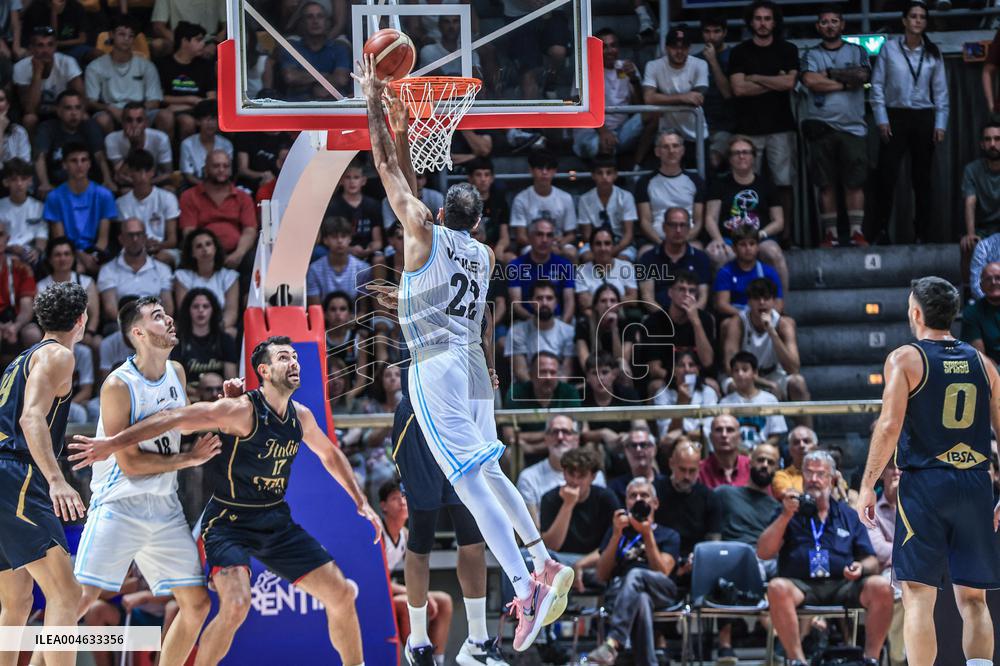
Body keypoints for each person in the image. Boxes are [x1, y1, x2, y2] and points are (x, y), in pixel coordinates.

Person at [356, 55, 571, 651]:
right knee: (485, 476)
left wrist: (377, 100)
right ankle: (535, 567)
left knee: (473, 481)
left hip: (436, 364)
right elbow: (408, 180)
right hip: (476, 363)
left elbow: (387, 172)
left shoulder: (422, 228)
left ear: (440, 215)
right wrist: (404, 124)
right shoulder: (484, 255)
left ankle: (533, 574)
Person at [69, 336, 380, 666]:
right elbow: (174, 418)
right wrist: (112, 442)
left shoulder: (300, 417)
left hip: (274, 520)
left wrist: (362, 502)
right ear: (263, 370)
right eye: (284, 358)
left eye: (295, 358)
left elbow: (330, 454)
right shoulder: (238, 410)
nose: (294, 363)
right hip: (228, 522)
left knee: (342, 593)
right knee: (234, 606)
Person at [859, 276, 1000, 666]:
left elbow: (888, 427)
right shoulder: (982, 362)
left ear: (916, 312)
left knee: (919, 594)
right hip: (975, 483)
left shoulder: (904, 358)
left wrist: (868, 484)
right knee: (974, 597)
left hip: (925, 482)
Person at [74, 297, 218, 666]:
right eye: (157, 317)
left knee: (197, 604)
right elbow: (131, 463)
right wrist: (190, 459)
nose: (169, 319)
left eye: (166, 313)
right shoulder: (117, 385)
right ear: (138, 333)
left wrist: (222, 404)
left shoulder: (177, 372)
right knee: (75, 604)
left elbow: (179, 422)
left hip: (164, 507)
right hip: (120, 505)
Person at [0, 282, 89, 666]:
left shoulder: (21, 360)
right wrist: (56, 479)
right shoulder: (58, 356)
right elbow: (30, 416)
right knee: (67, 595)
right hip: (16, 472)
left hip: (5, 472)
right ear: (82, 319)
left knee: (16, 601)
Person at [762, 451, 892, 665]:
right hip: (802, 586)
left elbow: (872, 560)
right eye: (809, 473)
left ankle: (871, 659)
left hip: (843, 584)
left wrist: (860, 567)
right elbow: (764, 552)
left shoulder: (848, 514)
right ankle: (797, 660)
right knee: (776, 588)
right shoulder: (787, 511)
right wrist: (785, 516)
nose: (813, 479)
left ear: (832, 479)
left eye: (820, 474)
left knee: (881, 586)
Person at [870, 2, 948, 245]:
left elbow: (941, 92)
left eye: (922, 17)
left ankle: (922, 233)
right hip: (895, 116)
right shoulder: (890, 49)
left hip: (924, 116)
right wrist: (882, 119)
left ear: (926, 22)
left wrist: (940, 123)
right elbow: (877, 87)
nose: (917, 21)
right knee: (886, 176)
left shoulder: (933, 52)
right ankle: (881, 230)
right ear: (904, 20)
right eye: (913, 16)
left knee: (922, 179)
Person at [584, 478, 680, 666]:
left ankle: (613, 643)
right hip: (623, 593)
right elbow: (601, 575)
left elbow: (663, 571)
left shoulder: (668, 534)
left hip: (661, 589)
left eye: (644, 495)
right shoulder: (618, 531)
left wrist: (646, 534)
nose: (638, 499)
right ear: (626, 501)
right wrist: (616, 535)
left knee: (636, 574)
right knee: (641, 599)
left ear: (655, 503)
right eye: (632, 496)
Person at [801, 5, 870, 248]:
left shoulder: (857, 50)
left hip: (853, 127)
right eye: (824, 22)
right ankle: (830, 234)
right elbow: (810, 81)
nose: (829, 26)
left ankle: (856, 233)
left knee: (855, 183)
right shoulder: (810, 54)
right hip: (822, 127)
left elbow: (862, 76)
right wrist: (843, 82)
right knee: (826, 184)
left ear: (842, 25)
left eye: (834, 21)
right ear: (818, 26)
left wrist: (828, 73)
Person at [728, 0, 799, 233]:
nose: (763, 23)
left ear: (775, 22)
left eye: (767, 18)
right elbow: (738, 89)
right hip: (747, 129)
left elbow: (789, 83)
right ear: (750, 22)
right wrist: (774, 81)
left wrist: (754, 77)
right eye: (758, 18)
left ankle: (786, 234)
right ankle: (748, 234)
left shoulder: (788, 49)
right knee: (747, 184)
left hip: (781, 126)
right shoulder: (739, 52)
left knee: (784, 184)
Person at [714, 442, 781, 661]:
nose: (764, 465)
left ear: (777, 468)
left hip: (768, 559)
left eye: (770, 462)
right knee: (736, 562)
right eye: (760, 460)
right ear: (749, 462)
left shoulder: (778, 508)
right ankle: (726, 646)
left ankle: (783, 640)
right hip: (731, 556)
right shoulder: (725, 494)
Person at [379, 480, 456, 666]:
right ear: (383, 506)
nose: (402, 503)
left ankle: (437, 660)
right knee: (409, 603)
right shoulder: (377, 533)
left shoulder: (405, 535)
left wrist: (423, 595)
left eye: (404, 498)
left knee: (444, 601)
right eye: (395, 499)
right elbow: (377, 582)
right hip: (372, 595)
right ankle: (418, 660)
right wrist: (418, 595)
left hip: (388, 590)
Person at [705, 136, 788, 292]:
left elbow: (779, 221)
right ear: (730, 159)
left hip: (760, 237)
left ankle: (780, 305)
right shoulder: (719, 184)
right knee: (718, 254)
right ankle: (722, 308)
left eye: (746, 152)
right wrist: (717, 239)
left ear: (753, 157)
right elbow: (710, 218)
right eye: (736, 153)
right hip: (728, 238)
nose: (741, 156)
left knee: (773, 253)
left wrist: (761, 235)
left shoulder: (767, 185)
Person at [721, 277, 806, 404]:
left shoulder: (784, 324)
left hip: (774, 374)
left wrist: (772, 332)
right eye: (756, 298)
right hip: (744, 374)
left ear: (773, 301)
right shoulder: (737, 323)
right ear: (749, 302)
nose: (762, 302)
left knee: (798, 383)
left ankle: (806, 425)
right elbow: (730, 367)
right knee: (732, 384)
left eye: (766, 298)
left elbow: (793, 368)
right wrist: (766, 384)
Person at [85, 15, 171, 136]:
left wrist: (136, 112)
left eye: (131, 36)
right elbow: (90, 102)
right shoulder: (95, 67)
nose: (126, 39)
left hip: (140, 110)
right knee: (102, 119)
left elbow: (154, 101)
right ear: (111, 35)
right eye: (121, 34)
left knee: (166, 116)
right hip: (112, 111)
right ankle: (109, 153)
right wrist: (109, 108)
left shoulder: (147, 66)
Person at [515, 414, 607, 526]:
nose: (560, 437)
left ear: (577, 438)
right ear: (546, 438)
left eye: (566, 432)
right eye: (554, 432)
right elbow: (533, 530)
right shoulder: (528, 477)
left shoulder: (595, 475)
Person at [43, 143, 116, 275]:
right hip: (67, 252)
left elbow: (103, 238)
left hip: (96, 250)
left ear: (89, 164)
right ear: (64, 165)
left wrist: (93, 257)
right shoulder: (54, 197)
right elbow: (60, 239)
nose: (79, 165)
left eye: (84, 160)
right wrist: (81, 258)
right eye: (74, 161)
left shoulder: (104, 195)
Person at [178, 150, 257, 270]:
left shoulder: (243, 197)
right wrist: (207, 255)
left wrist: (239, 253)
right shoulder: (189, 196)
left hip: (237, 253)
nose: (221, 170)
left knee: (254, 262)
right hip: (203, 254)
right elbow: (189, 232)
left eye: (226, 166)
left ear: (231, 170)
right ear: (205, 169)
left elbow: (249, 230)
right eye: (216, 166)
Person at [572, 28, 642, 161]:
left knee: (649, 115)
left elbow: (639, 105)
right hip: (591, 132)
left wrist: (634, 79)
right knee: (600, 145)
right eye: (604, 47)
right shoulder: (586, 70)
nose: (610, 51)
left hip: (620, 130)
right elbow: (578, 103)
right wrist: (603, 131)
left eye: (613, 46)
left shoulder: (626, 67)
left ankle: (637, 164)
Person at [33, 90, 113, 198]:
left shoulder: (90, 127)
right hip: (57, 186)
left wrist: (107, 179)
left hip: (87, 186)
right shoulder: (47, 128)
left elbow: (100, 156)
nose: (74, 113)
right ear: (59, 111)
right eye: (68, 108)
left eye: (77, 108)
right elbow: (40, 157)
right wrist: (44, 183)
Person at [503, 353, 582, 462]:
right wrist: (553, 435)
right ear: (531, 374)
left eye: (553, 372)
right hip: (525, 453)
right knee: (509, 454)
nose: (548, 377)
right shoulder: (516, 394)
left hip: (561, 448)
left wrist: (532, 448)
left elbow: (574, 434)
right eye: (543, 372)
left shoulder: (569, 392)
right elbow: (510, 437)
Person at [635, 130, 704, 250]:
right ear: (657, 152)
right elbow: (645, 222)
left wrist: (683, 242)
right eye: (666, 147)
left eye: (675, 146)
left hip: (688, 241)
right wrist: (662, 244)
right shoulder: (644, 182)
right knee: (644, 253)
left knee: (699, 250)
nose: (671, 151)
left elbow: (698, 221)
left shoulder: (696, 181)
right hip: (657, 241)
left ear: (682, 151)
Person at [97, 217, 174, 323]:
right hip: (121, 325)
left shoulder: (162, 270)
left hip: (155, 324)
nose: (135, 239)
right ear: (121, 239)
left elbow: (168, 307)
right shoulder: (108, 270)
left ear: (145, 238)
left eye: (139, 234)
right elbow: (110, 309)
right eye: (130, 235)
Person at [641, 27, 708, 149]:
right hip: (668, 135)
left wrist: (662, 98)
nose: (679, 51)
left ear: (689, 48)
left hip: (695, 132)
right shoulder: (653, 66)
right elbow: (648, 98)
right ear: (666, 48)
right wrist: (684, 97)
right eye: (674, 47)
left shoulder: (700, 64)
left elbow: (697, 98)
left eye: (684, 47)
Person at [637, 207, 711, 311]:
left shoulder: (701, 258)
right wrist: (669, 319)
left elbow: (703, 298)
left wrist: (689, 316)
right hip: (659, 317)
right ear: (664, 227)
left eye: (683, 225)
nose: (678, 230)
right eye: (672, 225)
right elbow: (647, 298)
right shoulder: (648, 258)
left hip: (692, 317)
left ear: (689, 228)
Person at [14, 24, 84, 132]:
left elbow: (82, 100)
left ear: (55, 47)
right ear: (32, 48)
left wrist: (63, 110)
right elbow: (29, 109)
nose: (46, 50)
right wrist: (37, 74)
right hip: (39, 115)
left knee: (83, 117)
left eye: (50, 45)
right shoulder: (20, 67)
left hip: (64, 112)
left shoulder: (67, 62)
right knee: (29, 119)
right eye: (40, 45)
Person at [116, 148, 180, 265]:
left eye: (146, 171)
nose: (143, 177)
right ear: (130, 173)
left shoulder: (167, 198)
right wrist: (142, 245)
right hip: (133, 249)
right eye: (138, 171)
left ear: (153, 172)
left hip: (162, 249)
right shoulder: (121, 203)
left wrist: (158, 245)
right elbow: (124, 239)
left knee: (161, 258)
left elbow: (172, 240)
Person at [510, 152, 580, 258]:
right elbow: (521, 236)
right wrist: (544, 246)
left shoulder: (566, 198)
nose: (544, 172)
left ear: (555, 171)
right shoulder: (521, 199)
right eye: (540, 168)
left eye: (548, 169)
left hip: (558, 244)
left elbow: (571, 234)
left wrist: (560, 243)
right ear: (531, 170)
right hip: (531, 245)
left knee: (571, 252)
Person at [276, 2, 350, 101]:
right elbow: (290, 77)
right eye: (309, 17)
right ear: (302, 23)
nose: (315, 21)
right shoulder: (292, 47)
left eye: (320, 16)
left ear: (327, 22)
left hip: (333, 106)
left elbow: (341, 79)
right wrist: (324, 77)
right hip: (297, 106)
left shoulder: (339, 48)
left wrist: (306, 79)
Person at [506, 218, 576, 323]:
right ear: (530, 238)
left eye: (549, 235)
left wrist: (561, 327)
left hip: (558, 321)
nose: (544, 240)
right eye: (539, 234)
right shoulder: (515, 266)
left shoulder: (564, 265)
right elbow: (516, 305)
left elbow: (569, 302)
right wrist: (538, 325)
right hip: (527, 322)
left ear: (553, 239)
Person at [170, 288, 239, 394]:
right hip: (189, 398)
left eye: (205, 306)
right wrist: (200, 394)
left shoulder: (225, 340)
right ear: (188, 310)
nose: (201, 310)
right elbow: (175, 381)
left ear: (213, 310)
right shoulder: (178, 341)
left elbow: (231, 378)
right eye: (195, 306)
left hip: (219, 396)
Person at [155, 21, 217, 139]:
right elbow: (159, 97)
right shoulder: (163, 64)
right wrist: (191, 99)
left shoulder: (205, 65)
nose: (203, 44)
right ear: (184, 41)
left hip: (198, 111)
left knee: (187, 121)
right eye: (198, 40)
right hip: (169, 111)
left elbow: (211, 99)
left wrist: (185, 105)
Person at [506, 280, 575, 383]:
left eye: (549, 298)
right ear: (530, 302)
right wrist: (538, 391)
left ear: (556, 302)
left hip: (558, 387)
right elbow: (520, 371)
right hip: (527, 388)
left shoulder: (569, 332)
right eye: (539, 298)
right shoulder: (517, 331)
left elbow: (566, 370)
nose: (544, 303)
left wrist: (551, 390)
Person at [720, 351, 788, 450]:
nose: (740, 374)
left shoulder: (770, 400)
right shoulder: (725, 402)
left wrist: (758, 450)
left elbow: (776, 435)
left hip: (763, 451)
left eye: (744, 369)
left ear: (755, 373)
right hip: (735, 452)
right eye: (736, 370)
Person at [575, 157, 637, 263]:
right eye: (600, 173)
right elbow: (586, 235)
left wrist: (611, 251)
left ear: (615, 175)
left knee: (622, 260)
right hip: (595, 243)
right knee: (587, 257)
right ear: (593, 176)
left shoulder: (626, 197)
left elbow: (628, 234)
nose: (604, 177)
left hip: (620, 243)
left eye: (609, 173)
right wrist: (601, 250)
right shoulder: (585, 199)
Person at [713, 227, 784, 319]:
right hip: (738, 317)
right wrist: (749, 317)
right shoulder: (725, 272)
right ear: (734, 248)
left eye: (752, 244)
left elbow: (779, 303)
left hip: (765, 317)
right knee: (730, 325)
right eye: (743, 245)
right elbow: (722, 305)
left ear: (758, 247)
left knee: (789, 324)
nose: (748, 248)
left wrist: (766, 317)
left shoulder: (769, 272)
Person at [695, 14, 735, 171]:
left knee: (713, 160)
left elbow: (728, 93)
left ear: (724, 32)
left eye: (716, 31)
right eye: (707, 31)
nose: (711, 36)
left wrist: (713, 61)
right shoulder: (695, 60)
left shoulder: (734, 56)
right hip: (700, 125)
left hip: (727, 126)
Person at [653, 350, 717, 445]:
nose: (687, 369)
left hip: (703, 447)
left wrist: (683, 434)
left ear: (697, 370)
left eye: (691, 365)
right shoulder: (662, 394)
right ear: (674, 371)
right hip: (675, 449)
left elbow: (708, 432)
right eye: (681, 365)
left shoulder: (708, 392)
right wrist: (681, 403)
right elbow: (666, 437)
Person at [327, 158, 383, 264]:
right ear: (341, 181)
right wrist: (349, 250)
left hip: (368, 253)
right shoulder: (333, 206)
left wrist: (369, 249)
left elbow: (378, 242)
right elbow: (328, 240)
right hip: (342, 252)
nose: (352, 182)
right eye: (348, 178)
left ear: (363, 180)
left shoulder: (373, 205)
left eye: (356, 177)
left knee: (379, 259)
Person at [105, 102, 173, 188]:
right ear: (122, 122)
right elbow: (120, 176)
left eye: (139, 120)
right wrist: (134, 146)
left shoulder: (161, 138)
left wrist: (145, 184)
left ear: (146, 123)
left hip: (154, 181)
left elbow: (168, 174)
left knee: (169, 189)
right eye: (129, 120)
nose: (134, 125)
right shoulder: (111, 139)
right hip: (128, 183)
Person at [306, 216, 372, 305]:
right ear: (325, 240)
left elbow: (362, 311)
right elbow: (315, 311)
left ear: (350, 239)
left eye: (343, 236)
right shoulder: (314, 270)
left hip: (353, 317)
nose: (340, 241)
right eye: (334, 237)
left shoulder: (363, 269)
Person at [0, 220, 41, 355]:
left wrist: (14, 327)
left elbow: (26, 307)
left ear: (7, 239)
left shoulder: (21, 268)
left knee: (33, 334)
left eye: (0, 235)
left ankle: (32, 376)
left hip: (16, 320)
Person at [961, 121, 1000, 262]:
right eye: (988, 139)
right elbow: (970, 202)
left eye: (997, 139)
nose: (993, 144)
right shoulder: (972, 170)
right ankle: (967, 285)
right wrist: (970, 234)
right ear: (982, 144)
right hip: (983, 230)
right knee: (968, 245)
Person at [0, 158, 46, 267]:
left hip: (30, 253)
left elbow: (42, 236)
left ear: (30, 181)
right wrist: (11, 248)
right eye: (14, 179)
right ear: (6, 182)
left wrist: (37, 251)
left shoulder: (38, 207)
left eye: (23, 179)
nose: (19, 183)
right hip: (4, 251)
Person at [180, 100, 233, 186]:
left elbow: (228, 172)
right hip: (195, 186)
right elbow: (188, 176)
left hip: (221, 185)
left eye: (214, 119)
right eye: (206, 119)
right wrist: (207, 187)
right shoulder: (187, 144)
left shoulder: (226, 144)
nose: (211, 124)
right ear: (198, 121)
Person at [961, 262, 1000, 364]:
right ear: (981, 286)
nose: (994, 282)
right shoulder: (972, 312)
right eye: (988, 279)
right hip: (992, 370)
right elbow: (980, 357)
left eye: (998, 278)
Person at [699, 414, 751, 489]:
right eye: (719, 430)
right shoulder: (698, 471)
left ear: (739, 437)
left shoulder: (751, 467)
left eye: (730, 430)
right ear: (711, 437)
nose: (724, 435)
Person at [772, 426, 818, 497]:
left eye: (806, 441)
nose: (802, 445)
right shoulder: (781, 476)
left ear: (815, 447)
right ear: (790, 450)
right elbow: (792, 497)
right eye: (796, 442)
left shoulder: (829, 474)